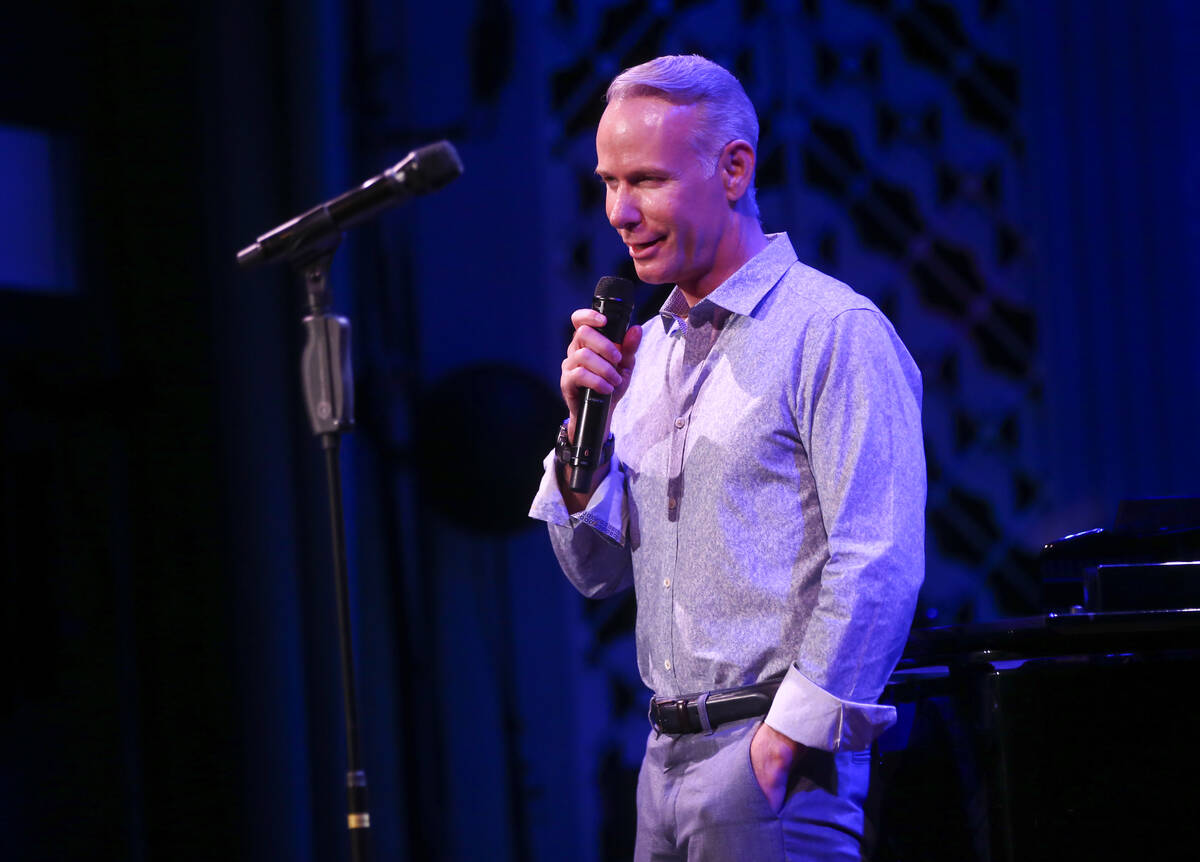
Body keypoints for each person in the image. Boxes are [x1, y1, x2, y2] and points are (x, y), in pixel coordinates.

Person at [529, 54, 925, 860]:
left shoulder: (830, 332)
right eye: (607, 183)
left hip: (770, 759)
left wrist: (787, 739)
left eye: (645, 180)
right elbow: (594, 572)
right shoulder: (650, 350)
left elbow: (877, 557)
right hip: (660, 762)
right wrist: (583, 437)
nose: (619, 212)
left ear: (734, 169)